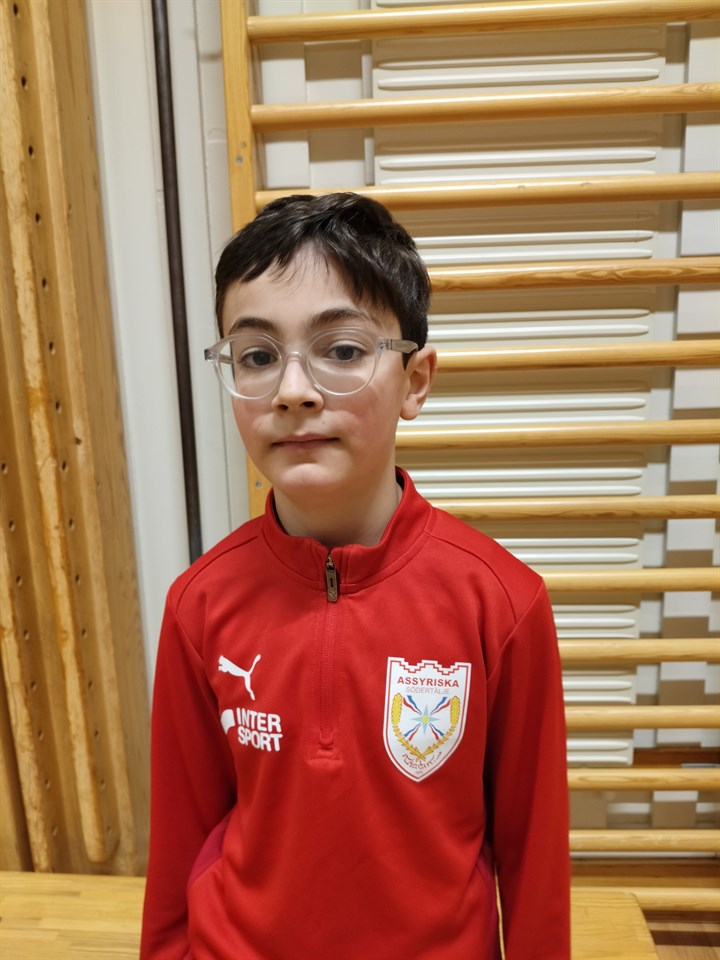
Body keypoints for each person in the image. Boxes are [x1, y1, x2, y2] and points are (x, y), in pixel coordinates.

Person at [140, 193, 570, 959]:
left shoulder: (503, 602)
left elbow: (534, 860)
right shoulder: (197, 604)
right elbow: (180, 842)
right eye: (257, 356)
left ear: (415, 380)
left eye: (341, 350)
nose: (292, 390)